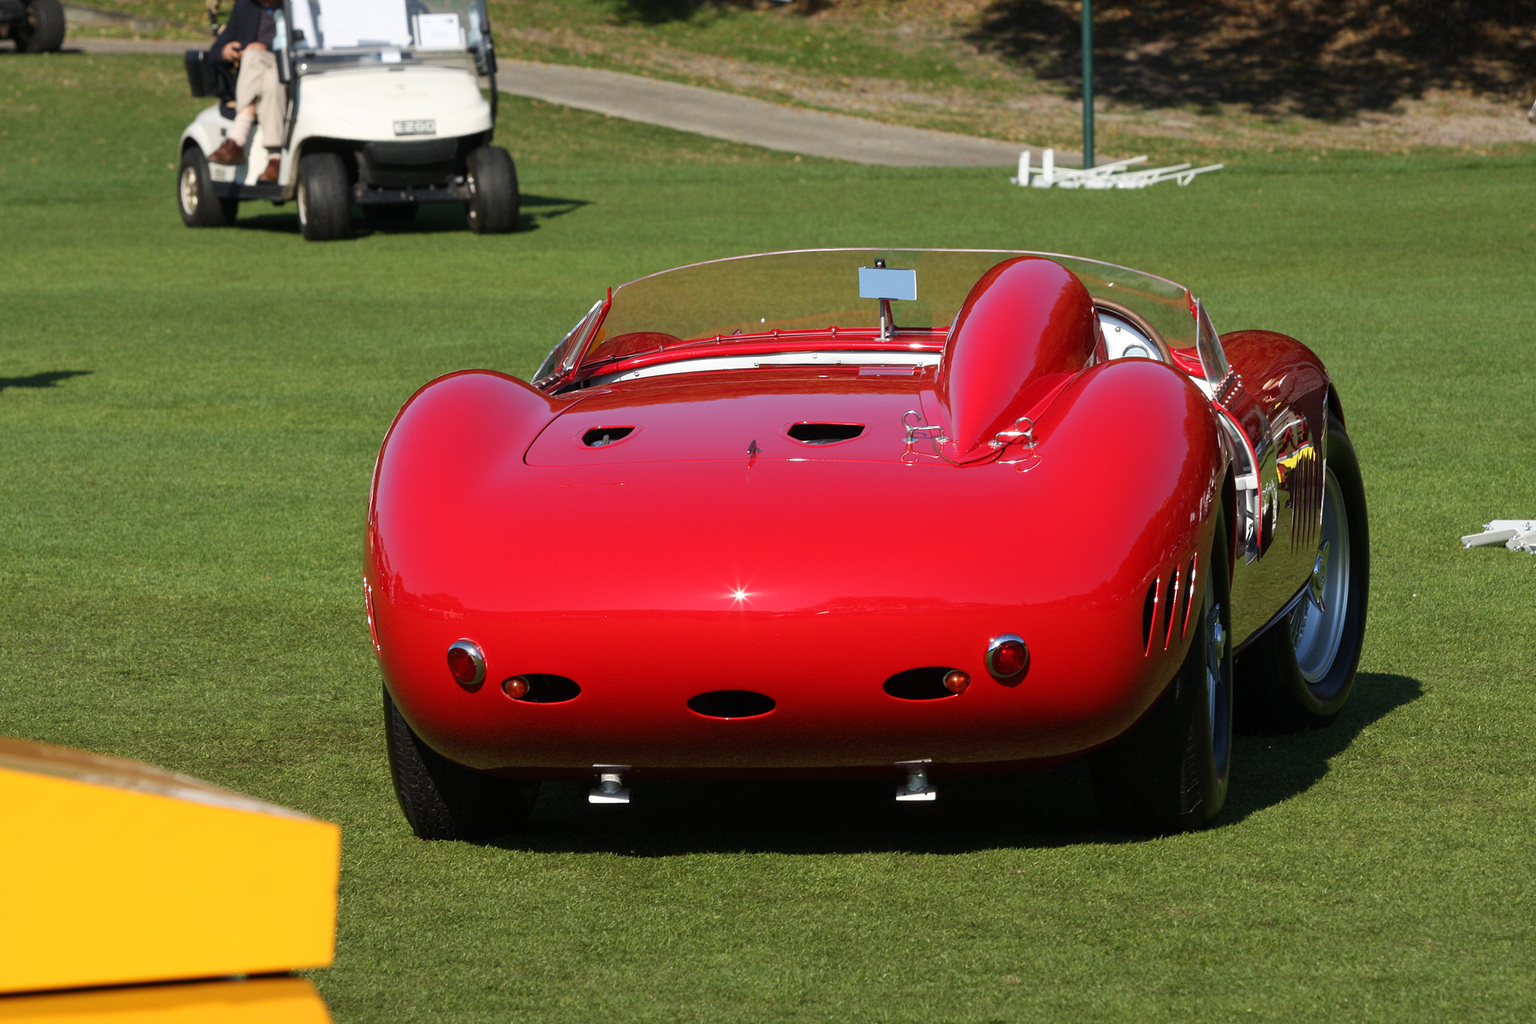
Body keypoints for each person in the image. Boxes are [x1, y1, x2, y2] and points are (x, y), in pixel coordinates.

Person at [207, 0, 288, 184]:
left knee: (262, 63)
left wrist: (266, 49)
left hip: (289, 71)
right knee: (265, 71)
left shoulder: (296, 8)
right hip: (260, 78)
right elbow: (215, 51)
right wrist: (225, 52)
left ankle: (237, 139)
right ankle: (275, 159)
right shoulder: (246, 6)